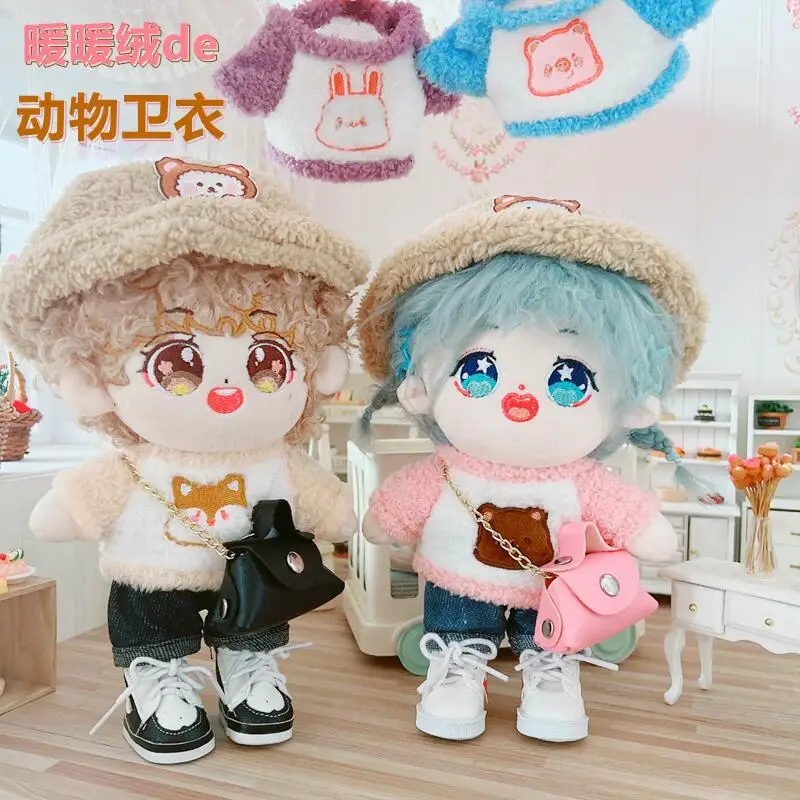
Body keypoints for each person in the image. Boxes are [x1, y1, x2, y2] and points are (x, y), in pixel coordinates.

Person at [0, 157, 369, 764]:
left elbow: (325, 504)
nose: (227, 393)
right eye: (178, 363)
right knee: (149, 614)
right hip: (154, 570)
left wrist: (336, 514)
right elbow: (76, 504)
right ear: (95, 376)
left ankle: (246, 662)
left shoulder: (275, 456)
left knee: (255, 615)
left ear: (314, 367)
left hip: (250, 575)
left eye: (266, 362)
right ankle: (155, 674)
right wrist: (72, 507)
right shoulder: (133, 462)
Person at [356, 193, 710, 743]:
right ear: (422, 383)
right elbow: (390, 517)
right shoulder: (447, 470)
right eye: (479, 370)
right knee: (455, 616)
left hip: (551, 589)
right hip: (459, 577)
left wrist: (645, 529)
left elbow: (627, 513)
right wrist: (387, 520)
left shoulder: (576, 478)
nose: (518, 401)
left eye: (570, 380)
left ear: (625, 402)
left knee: (549, 628)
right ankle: (458, 665)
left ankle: (549, 672)